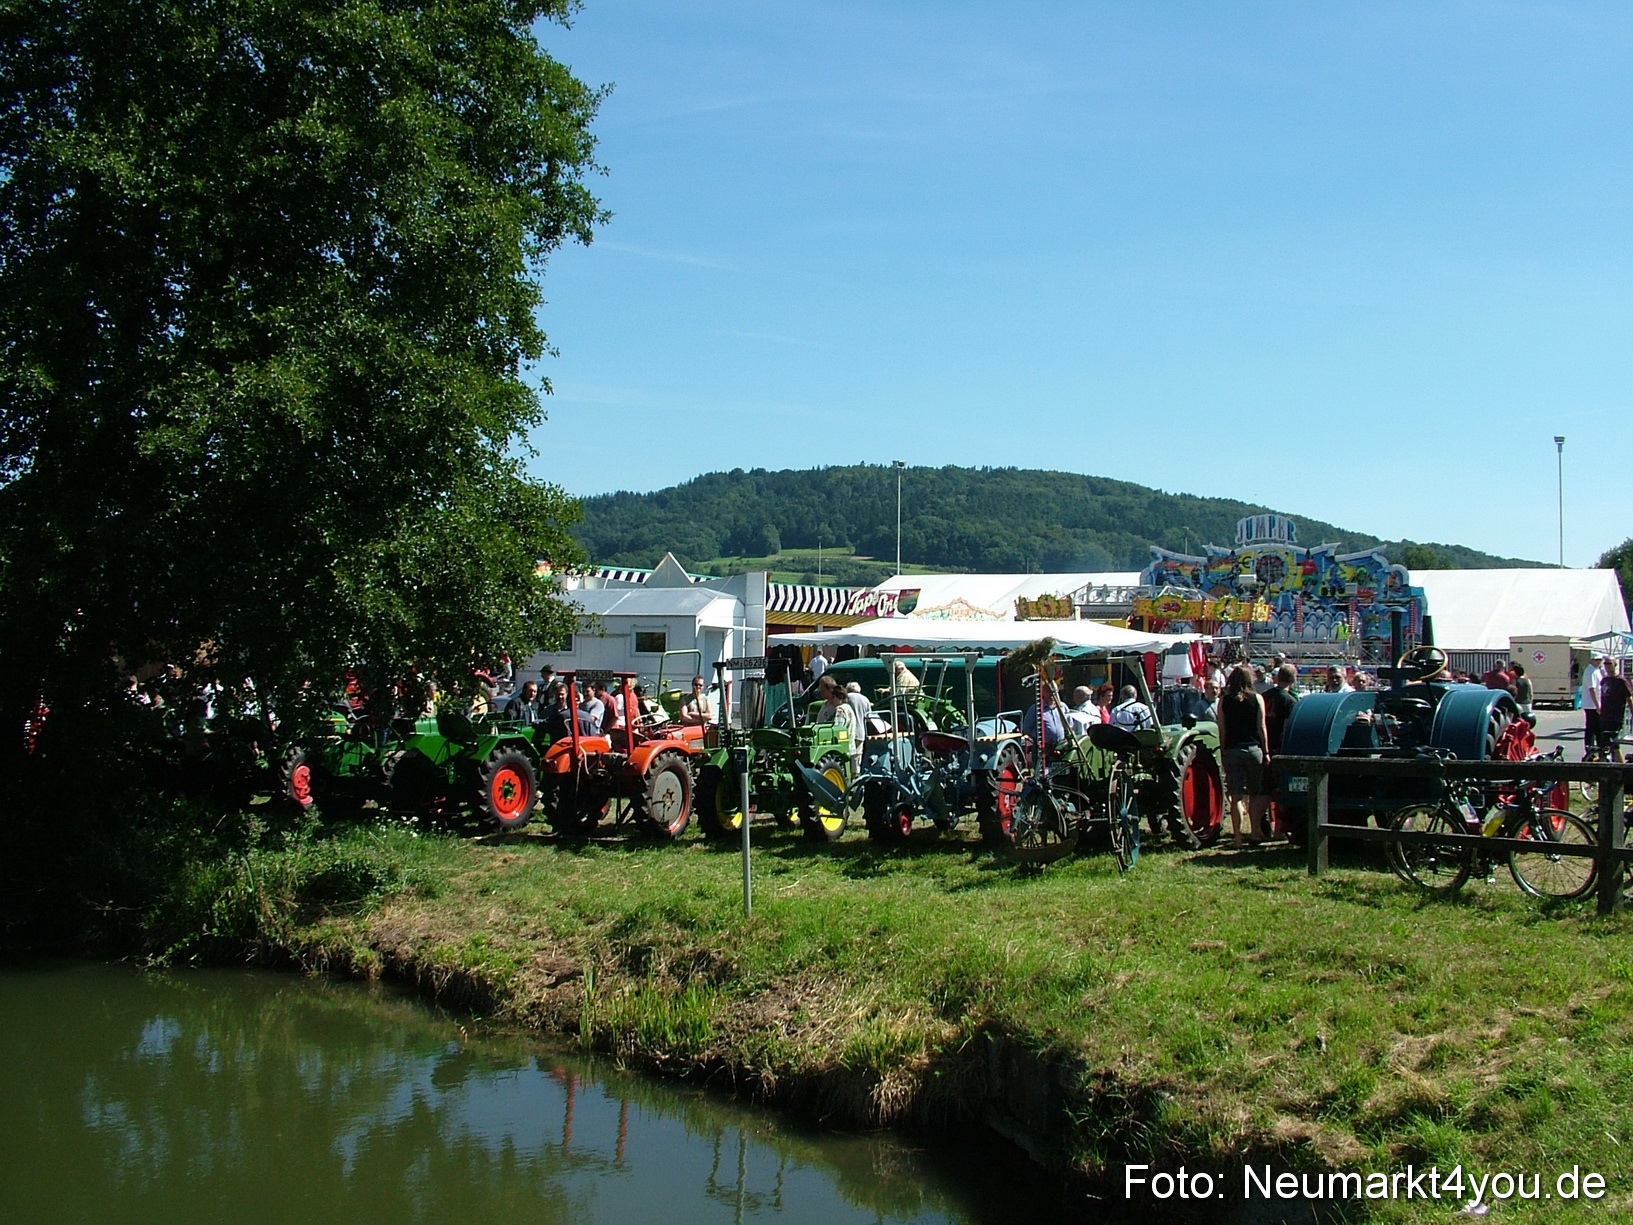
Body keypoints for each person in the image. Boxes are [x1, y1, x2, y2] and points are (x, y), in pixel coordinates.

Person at [1218, 664, 1270, 847]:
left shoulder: (1224, 701)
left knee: (1236, 796)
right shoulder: (1257, 699)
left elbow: (1222, 729)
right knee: (1255, 794)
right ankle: (1255, 832)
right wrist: (1266, 751)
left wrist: (1223, 750)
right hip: (1254, 749)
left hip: (1232, 750)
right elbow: (1261, 727)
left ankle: (1238, 838)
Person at [1599, 658, 1629, 762]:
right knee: (1603, 745)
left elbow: (1629, 698)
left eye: (1609, 663)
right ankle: (1606, 768)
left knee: (1614, 744)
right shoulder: (1604, 680)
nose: (1607, 666)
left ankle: (1621, 768)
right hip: (1604, 716)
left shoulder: (1620, 681)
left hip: (1616, 717)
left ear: (1615, 664)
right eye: (1605, 663)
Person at [1023, 681, 1068, 749]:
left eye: (1054, 691)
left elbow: (1070, 725)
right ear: (1043, 692)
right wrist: (1038, 740)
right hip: (1043, 749)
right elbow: (1026, 729)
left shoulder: (1063, 707)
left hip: (1062, 747)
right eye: (1048, 692)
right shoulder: (1035, 709)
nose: (1052, 694)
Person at [1581, 654, 1605, 754]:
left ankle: (1599, 747)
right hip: (1591, 705)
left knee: (1598, 728)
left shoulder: (1597, 671)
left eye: (1600, 660)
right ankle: (1589, 748)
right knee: (1591, 727)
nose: (1599, 661)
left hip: (1595, 704)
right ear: (1591, 660)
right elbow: (1592, 689)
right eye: (1597, 660)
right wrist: (1597, 705)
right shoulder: (1590, 671)